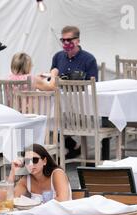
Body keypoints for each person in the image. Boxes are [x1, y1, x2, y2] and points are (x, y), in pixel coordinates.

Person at [35, 25, 99, 159]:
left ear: (78, 41)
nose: (65, 43)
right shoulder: (58, 57)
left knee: (53, 119)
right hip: (61, 105)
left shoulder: (89, 59)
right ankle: (71, 146)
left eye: (69, 40)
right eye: (63, 40)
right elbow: (52, 76)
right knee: (46, 118)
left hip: (81, 108)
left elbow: (94, 84)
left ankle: (73, 146)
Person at [7, 143, 72, 202]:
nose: (31, 164)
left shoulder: (57, 174)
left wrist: (36, 208)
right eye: (27, 161)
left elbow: (63, 200)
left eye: (35, 160)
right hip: (38, 214)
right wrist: (12, 172)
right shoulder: (26, 180)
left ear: (44, 161)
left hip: (62, 214)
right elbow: (11, 199)